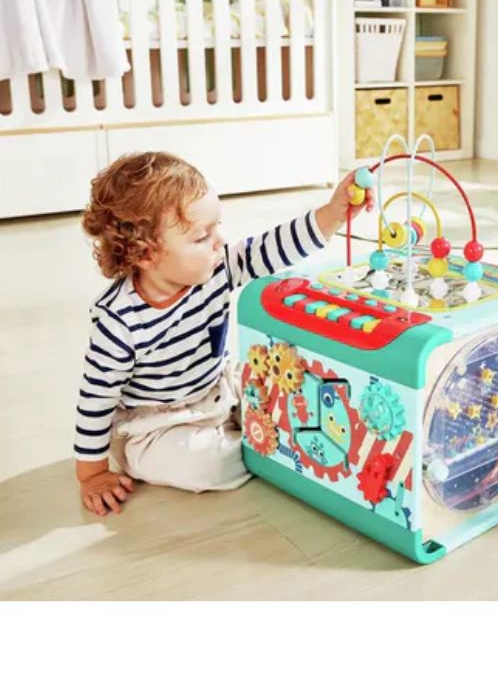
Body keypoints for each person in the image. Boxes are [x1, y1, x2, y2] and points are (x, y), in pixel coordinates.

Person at [75, 151, 372, 516]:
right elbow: (95, 400)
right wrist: (91, 474)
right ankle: (263, 446)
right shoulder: (118, 321)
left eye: (218, 226)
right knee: (206, 466)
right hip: (156, 423)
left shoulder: (220, 267)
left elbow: (274, 246)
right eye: (202, 237)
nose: (220, 241)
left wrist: (332, 214)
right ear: (147, 254)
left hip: (217, 389)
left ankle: (262, 435)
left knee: (286, 390)